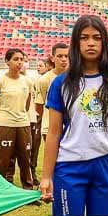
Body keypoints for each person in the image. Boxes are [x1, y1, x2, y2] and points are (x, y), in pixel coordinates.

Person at [40, 15, 108, 216]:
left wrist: (100, 134)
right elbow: (54, 132)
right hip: (69, 166)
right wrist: (46, 176)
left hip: (107, 165)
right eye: (84, 38)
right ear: (76, 43)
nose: (91, 43)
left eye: (97, 37)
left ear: (105, 42)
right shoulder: (61, 83)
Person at [0, 49, 35, 189]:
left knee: (25, 158)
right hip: (5, 123)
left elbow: (27, 103)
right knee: (3, 159)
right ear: (7, 61)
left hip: (23, 123)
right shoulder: (0, 81)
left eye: (21, 59)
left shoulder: (27, 82)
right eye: (15, 59)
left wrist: (21, 114)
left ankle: (28, 189)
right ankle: (2, 189)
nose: (19, 62)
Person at [34, 43, 69, 174]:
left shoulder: (75, 78)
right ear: (52, 58)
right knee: (53, 162)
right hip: (50, 127)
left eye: (66, 56)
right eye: (60, 56)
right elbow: (40, 105)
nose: (64, 59)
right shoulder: (44, 80)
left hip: (71, 128)